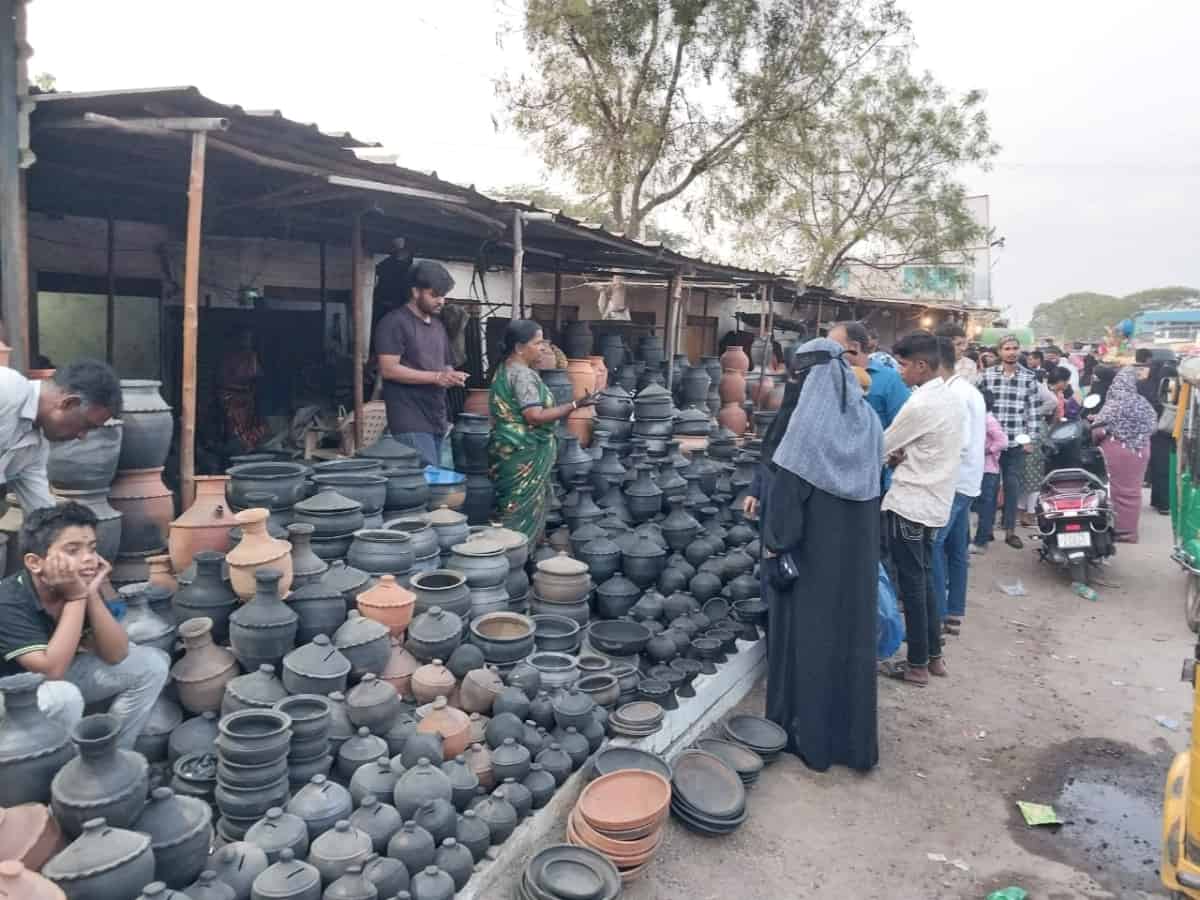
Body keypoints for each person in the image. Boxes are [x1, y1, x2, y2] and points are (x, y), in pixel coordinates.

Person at [761, 337, 883, 771]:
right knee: (849, 643)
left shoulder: (807, 433)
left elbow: (785, 514)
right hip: (856, 560)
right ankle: (852, 743)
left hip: (811, 566)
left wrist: (774, 546)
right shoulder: (867, 422)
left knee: (808, 646)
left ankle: (807, 739)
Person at [0, 503, 169, 748]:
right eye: (72, 550)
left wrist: (89, 594)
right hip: (11, 698)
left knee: (151, 664)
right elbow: (50, 672)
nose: (88, 558)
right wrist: (77, 598)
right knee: (64, 697)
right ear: (35, 562)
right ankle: (68, 775)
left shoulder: (75, 584)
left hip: (47, 682)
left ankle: (111, 756)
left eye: (92, 548)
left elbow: (117, 653)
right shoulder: (8, 601)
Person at [879, 332, 963, 686]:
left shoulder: (920, 403)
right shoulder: (950, 398)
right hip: (935, 502)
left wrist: (891, 457)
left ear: (921, 365)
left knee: (912, 587)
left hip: (910, 504)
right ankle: (933, 657)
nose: (900, 372)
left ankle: (915, 665)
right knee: (925, 580)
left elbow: (883, 445)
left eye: (903, 364)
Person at [489, 320, 596, 540]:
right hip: (524, 449)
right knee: (522, 508)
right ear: (519, 347)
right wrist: (575, 405)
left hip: (508, 447)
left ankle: (509, 554)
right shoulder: (523, 375)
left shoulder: (503, 369)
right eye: (538, 343)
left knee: (514, 504)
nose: (543, 348)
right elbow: (534, 416)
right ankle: (519, 555)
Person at [374, 260, 468, 465]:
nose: (441, 301)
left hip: (438, 418)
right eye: (434, 295)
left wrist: (451, 375)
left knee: (440, 486)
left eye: (443, 295)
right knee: (423, 486)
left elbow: (445, 364)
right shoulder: (394, 323)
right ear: (416, 292)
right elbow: (388, 369)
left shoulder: (437, 326)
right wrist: (436, 377)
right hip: (410, 420)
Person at [0, 360, 121, 512]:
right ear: (69, 403)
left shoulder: (34, 449)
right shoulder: (7, 387)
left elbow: (42, 512)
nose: (82, 436)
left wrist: (66, 532)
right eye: (86, 426)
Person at [931, 336, 985, 636]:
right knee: (955, 548)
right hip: (967, 480)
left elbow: (960, 442)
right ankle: (953, 612)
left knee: (936, 545)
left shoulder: (954, 395)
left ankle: (938, 613)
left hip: (954, 481)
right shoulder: (967, 390)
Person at [980, 336, 1042, 549]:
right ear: (999, 352)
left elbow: (1033, 411)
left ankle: (1010, 531)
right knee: (989, 488)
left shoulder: (1029, 377)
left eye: (1015, 348)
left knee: (1012, 487)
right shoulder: (987, 376)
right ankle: (986, 530)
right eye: (1007, 348)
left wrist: (1030, 439)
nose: (1011, 352)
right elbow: (981, 408)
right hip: (992, 444)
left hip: (1016, 442)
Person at [1090, 367, 1157, 542]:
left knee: (1117, 490)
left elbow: (1098, 430)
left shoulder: (1114, 403)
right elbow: (1153, 425)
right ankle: (1130, 532)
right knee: (1133, 491)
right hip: (1141, 450)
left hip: (1117, 450)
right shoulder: (1143, 403)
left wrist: (1096, 436)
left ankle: (1117, 530)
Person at [829, 322, 909, 429]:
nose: (829, 352)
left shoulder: (890, 379)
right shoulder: (828, 378)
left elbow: (903, 427)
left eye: (833, 347)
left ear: (854, 347)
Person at [217, 329, 270, 452]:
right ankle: (235, 448)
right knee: (234, 424)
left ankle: (249, 446)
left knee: (251, 424)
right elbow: (222, 380)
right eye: (245, 338)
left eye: (250, 339)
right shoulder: (228, 357)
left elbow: (257, 375)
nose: (247, 342)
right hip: (231, 397)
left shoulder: (251, 355)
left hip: (247, 397)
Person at [971, 389, 1010, 554]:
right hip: (982, 469)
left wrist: (986, 450)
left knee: (986, 508)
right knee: (982, 507)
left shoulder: (988, 420)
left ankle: (981, 542)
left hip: (988, 470)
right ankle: (979, 539)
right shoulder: (981, 419)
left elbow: (1003, 441)